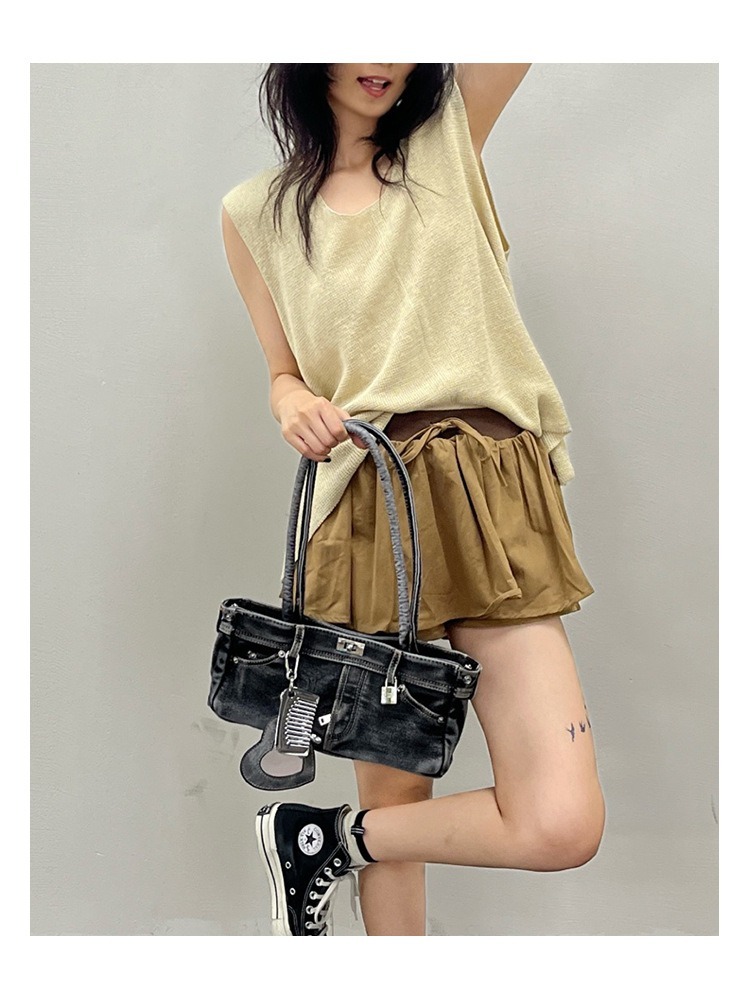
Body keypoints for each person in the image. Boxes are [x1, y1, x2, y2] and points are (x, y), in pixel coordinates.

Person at [220, 63, 605, 937]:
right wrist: (291, 404)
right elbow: (283, 371)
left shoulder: (445, 139)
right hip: (367, 506)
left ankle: (323, 839)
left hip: (490, 492)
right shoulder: (255, 212)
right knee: (395, 801)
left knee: (562, 820)